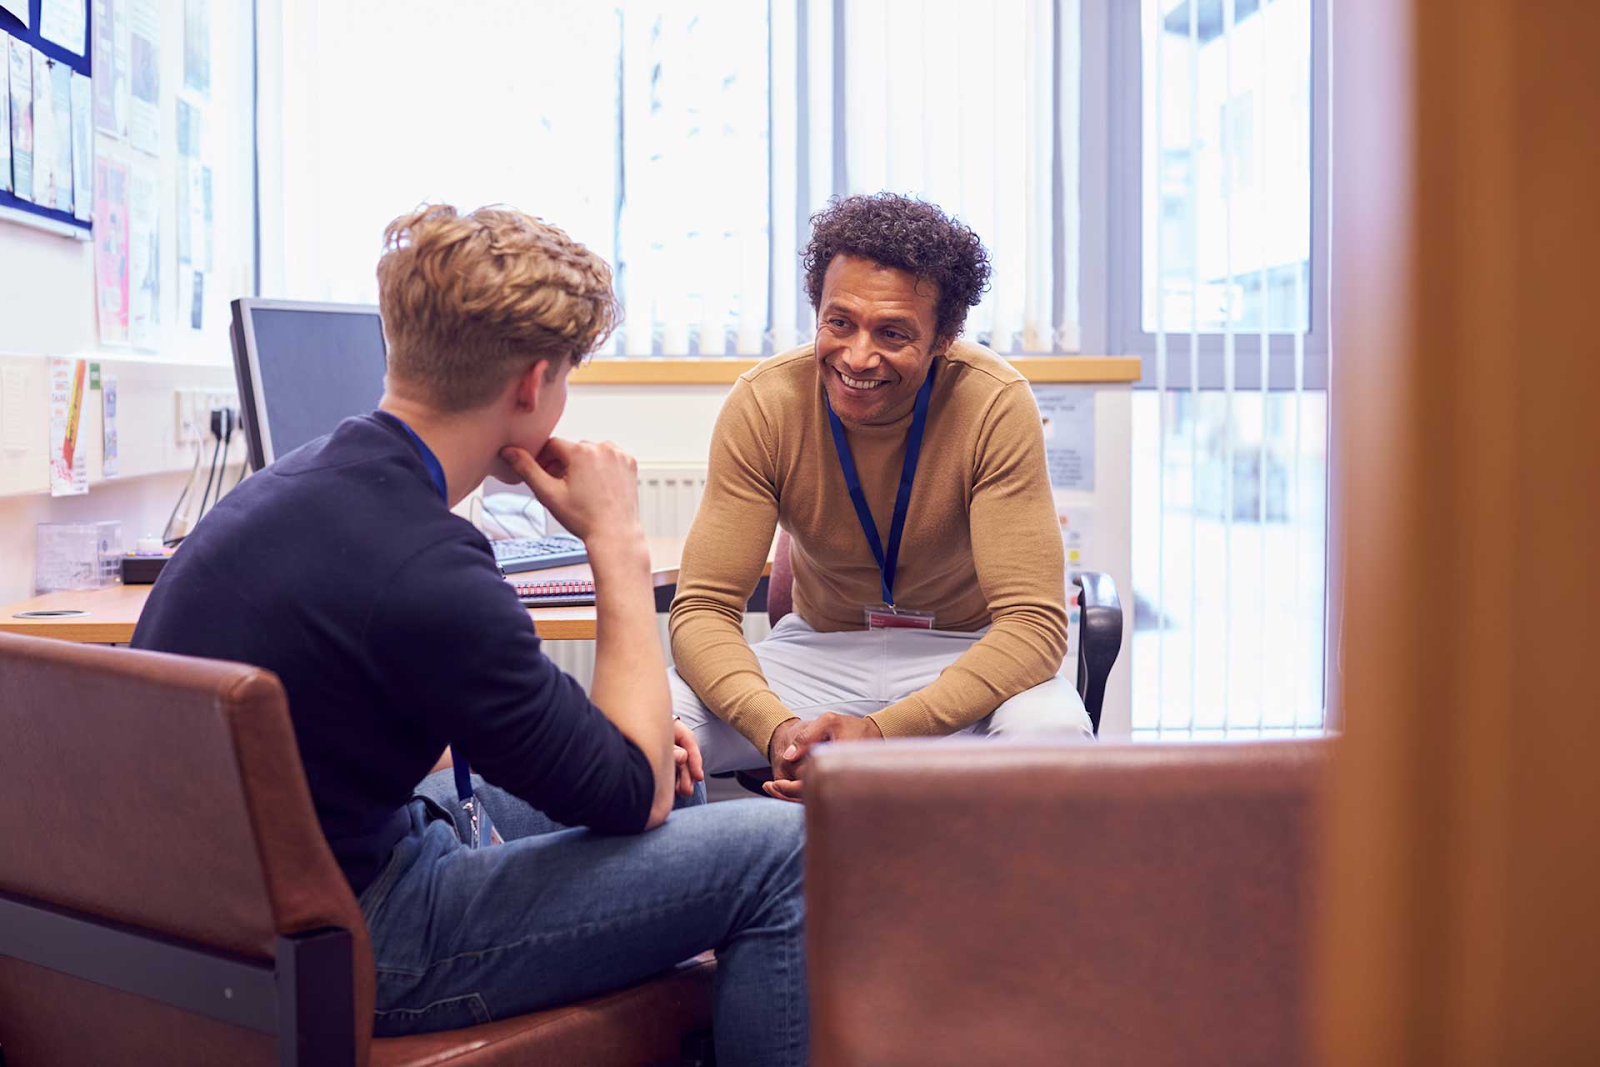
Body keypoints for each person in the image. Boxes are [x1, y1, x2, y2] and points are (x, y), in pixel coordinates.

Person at [132, 203, 807, 1065]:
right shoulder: (428, 566)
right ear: (533, 386)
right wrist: (618, 544)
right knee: (783, 850)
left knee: (681, 779)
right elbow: (630, 793)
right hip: (357, 938)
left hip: (236, 907)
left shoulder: (298, 482)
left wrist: (629, 760)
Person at [670, 192, 1091, 801]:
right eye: (839, 322)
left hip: (963, 655)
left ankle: (988, 899)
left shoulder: (994, 403)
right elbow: (703, 611)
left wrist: (884, 733)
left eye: (892, 332)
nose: (858, 356)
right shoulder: (766, 403)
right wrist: (780, 731)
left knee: (1053, 741)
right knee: (649, 726)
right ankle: (718, 889)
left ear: (944, 337)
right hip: (818, 655)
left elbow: (1032, 627)